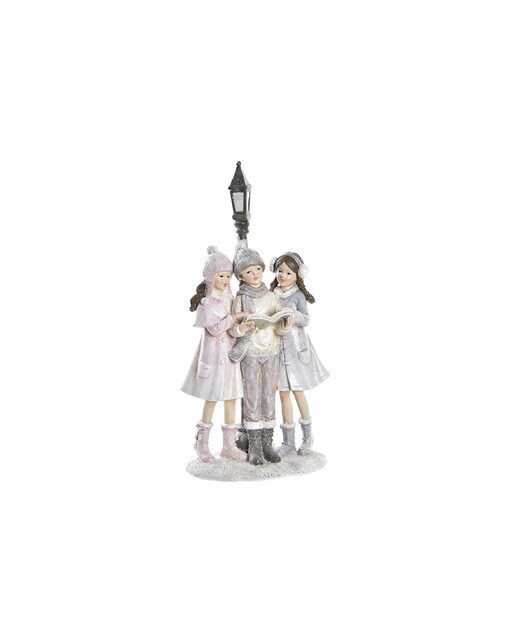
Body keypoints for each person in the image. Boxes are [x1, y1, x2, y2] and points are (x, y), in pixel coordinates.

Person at [182, 246, 252, 463]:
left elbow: (232, 330)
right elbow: (215, 329)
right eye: (221, 276)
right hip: (213, 358)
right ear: (210, 276)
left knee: (231, 398)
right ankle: (201, 443)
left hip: (229, 357)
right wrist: (235, 317)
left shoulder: (230, 297)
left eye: (228, 276)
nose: (225, 280)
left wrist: (242, 327)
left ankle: (229, 446)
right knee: (212, 398)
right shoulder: (207, 302)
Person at [229, 243, 293, 465]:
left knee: (268, 396)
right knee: (252, 397)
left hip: (271, 351)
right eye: (248, 271)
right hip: (251, 353)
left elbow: (280, 329)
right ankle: (254, 446)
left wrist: (285, 324)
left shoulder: (272, 296)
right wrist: (242, 328)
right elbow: (232, 329)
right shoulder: (240, 298)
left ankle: (267, 443)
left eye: (257, 269)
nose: (255, 274)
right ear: (240, 276)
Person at [269, 252, 329, 455]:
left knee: (298, 391)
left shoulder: (297, 296)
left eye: (288, 272)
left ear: (298, 274)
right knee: (283, 393)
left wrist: (293, 315)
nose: (283, 275)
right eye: (280, 271)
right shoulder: (273, 293)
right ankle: (288, 441)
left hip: (295, 349)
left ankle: (307, 436)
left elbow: (306, 319)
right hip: (277, 349)